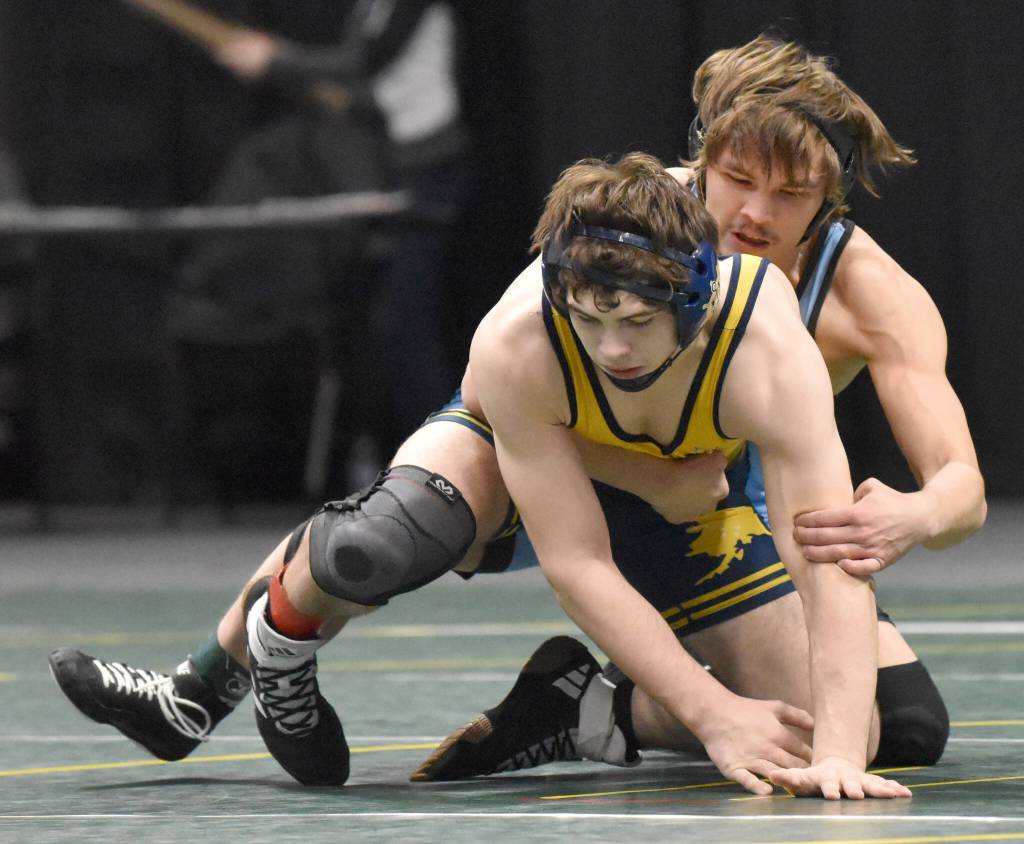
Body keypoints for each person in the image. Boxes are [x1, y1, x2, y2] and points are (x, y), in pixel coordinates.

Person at [48, 33, 980, 795]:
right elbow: (510, 392)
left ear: (835, 197)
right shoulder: (622, 233)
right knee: (394, 528)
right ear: (702, 154)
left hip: (701, 500)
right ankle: (202, 686)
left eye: (792, 194)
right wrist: (647, 476)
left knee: (888, 728)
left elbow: (942, 492)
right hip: (558, 446)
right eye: (736, 177)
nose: (751, 213)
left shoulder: (848, 304)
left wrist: (913, 512)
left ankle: (586, 709)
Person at [165, 0, 472, 499]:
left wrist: (278, 62)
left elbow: (369, 61)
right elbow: (362, 93)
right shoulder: (374, 8)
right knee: (381, 338)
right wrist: (284, 64)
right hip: (390, 167)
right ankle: (419, 474)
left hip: (428, 170)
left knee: (407, 334)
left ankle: (460, 473)